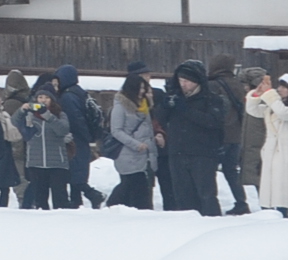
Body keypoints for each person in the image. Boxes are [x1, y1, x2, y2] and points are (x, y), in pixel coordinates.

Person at [162, 61, 226, 216]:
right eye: (180, 80)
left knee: (206, 194)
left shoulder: (212, 100)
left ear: (197, 81)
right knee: (183, 195)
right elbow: (161, 119)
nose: (183, 84)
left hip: (203, 153)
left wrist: (186, 110)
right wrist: (166, 105)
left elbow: (213, 122)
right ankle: (188, 225)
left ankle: (212, 223)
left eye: (187, 81)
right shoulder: (175, 98)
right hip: (177, 152)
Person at [55, 64, 105, 208]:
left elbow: (75, 120)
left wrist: (82, 136)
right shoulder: (80, 93)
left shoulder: (67, 97)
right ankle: (77, 202)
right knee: (77, 172)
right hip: (82, 139)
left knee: (74, 174)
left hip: (75, 140)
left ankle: (92, 195)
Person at [18, 78, 73, 209]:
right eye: (40, 97)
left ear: (52, 100)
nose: (43, 100)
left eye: (47, 97)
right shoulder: (30, 115)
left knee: (60, 200)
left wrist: (47, 115)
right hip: (36, 162)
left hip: (57, 162)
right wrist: (21, 111)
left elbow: (63, 130)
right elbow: (15, 123)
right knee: (40, 201)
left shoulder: (60, 115)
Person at [107, 74, 159, 209]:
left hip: (145, 153)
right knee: (132, 185)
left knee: (141, 187)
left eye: (144, 88)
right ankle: (114, 206)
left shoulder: (144, 104)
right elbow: (116, 131)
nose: (142, 91)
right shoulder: (120, 106)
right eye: (140, 88)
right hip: (128, 153)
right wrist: (136, 145)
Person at [211, 55, 251, 214]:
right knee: (231, 171)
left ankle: (211, 203)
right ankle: (242, 202)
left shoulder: (213, 85)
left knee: (209, 171)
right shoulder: (238, 84)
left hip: (220, 135)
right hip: (236, 135)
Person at [246, 72, 288, 216]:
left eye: (284, 87)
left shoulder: (277, 105)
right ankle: (271, 213)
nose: (279, 90)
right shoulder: (274, 105)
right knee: (274, 190)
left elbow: (283, 114)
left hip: (285, 155)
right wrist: (257, 94)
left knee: (284, 191)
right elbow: (253, 111)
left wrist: (269, 94)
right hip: (273, 155)